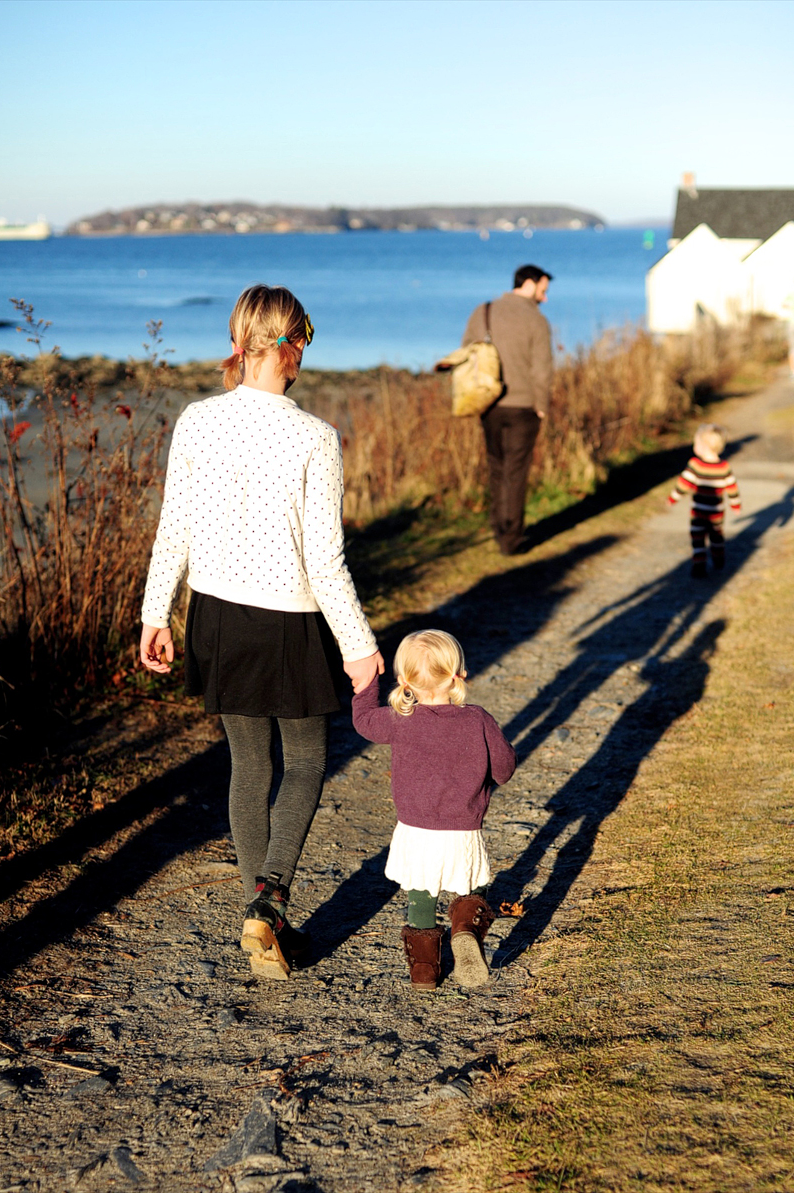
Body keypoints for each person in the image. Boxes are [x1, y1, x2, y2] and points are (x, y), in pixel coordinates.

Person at [139, 284, 383, 980]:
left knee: (250, 764)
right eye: (308, 337)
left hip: (214, 615)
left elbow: (174, 528)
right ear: (290, 343)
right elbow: (325, 559)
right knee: (304, 761)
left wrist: (156, 613)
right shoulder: (313, 436)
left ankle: (262, 914)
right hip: (289, 619)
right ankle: (270, 900)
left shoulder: (196, 418)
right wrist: (359, 643)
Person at [352, 630, 516, 992]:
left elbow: (363, 722)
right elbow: (504, 768)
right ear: (459, 674)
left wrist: (366, 684)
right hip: (463, 828)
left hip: (416, 830)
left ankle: (424, 971)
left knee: (421, 893)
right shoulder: (478, 719)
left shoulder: (400, 719)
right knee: (473, 885)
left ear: (405, 680)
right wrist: (488, 777)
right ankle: (465, 930)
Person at [461, 264, 554, 555]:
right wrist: (542, 406)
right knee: (516, 471)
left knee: (497, 467)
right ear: (529, 283)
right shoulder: (536, 320)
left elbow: (467, 352)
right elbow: (542, 370)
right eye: (543, 289)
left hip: (488, 405)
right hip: (523, 406)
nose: (545, 297)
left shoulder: (483, 311)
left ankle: (498, 527)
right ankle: (510, 539)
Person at [668, 424, 741, 578]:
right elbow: (732, 488)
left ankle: (699, 566)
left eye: (696, 443)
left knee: (698, 538)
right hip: (717, 513)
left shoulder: (696, 465)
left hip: (698, 513)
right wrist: (736, 505)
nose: (694, 446)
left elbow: (683, 484)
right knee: (716, 536)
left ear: (703, 446)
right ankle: (717, 558)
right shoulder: (724, 467)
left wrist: (672, 499)